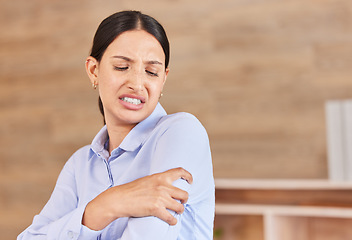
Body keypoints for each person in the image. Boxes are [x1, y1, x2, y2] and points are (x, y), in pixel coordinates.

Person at [18, 10, 214, 239]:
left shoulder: (181, 131)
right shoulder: (80, 165)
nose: (137, 84)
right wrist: (106, 205)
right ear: (94, 71)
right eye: (122, 67)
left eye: (151, 72)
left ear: (163, 80)